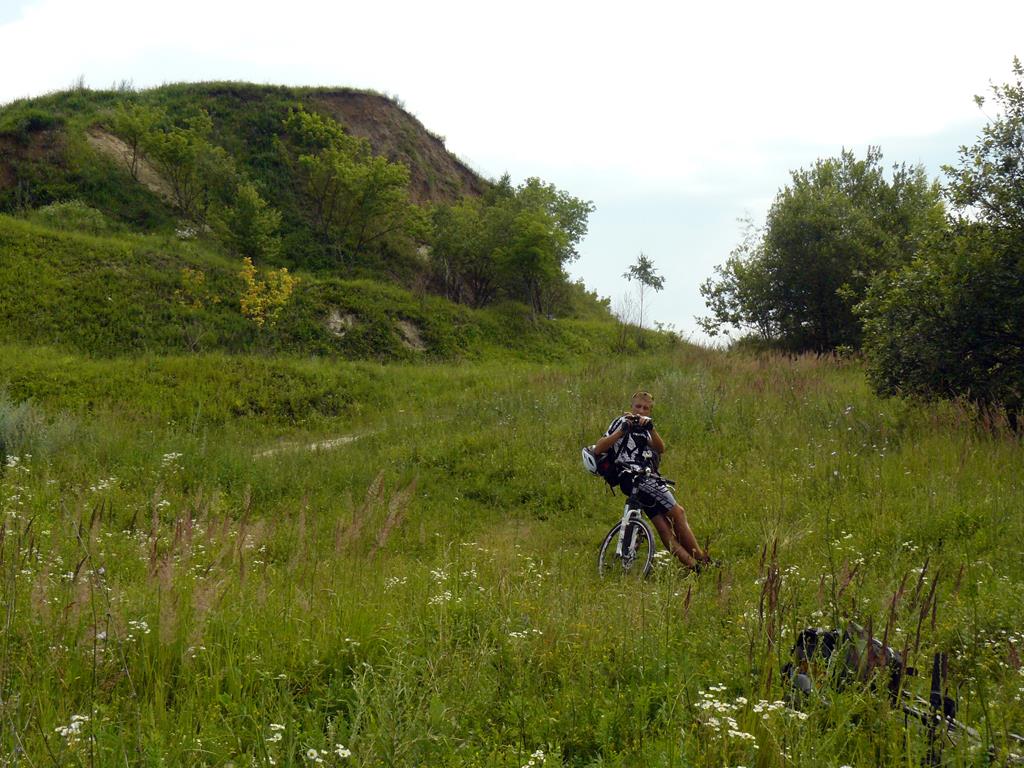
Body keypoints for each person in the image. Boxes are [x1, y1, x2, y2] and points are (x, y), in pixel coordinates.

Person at [593, 390, 714, 571]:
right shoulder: (620, 422)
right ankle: (703, 560)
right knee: (678, 513)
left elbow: (660, 448)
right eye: (638, 407)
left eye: (646, 408)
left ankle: (694, 567)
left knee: (664, 528)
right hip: (634, 477)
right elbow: (598, 448)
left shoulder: (645, 428)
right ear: (631, 407)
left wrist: (651, 428)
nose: (641, 411)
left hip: (644, 479)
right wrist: (621, 431)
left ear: (650, 411)